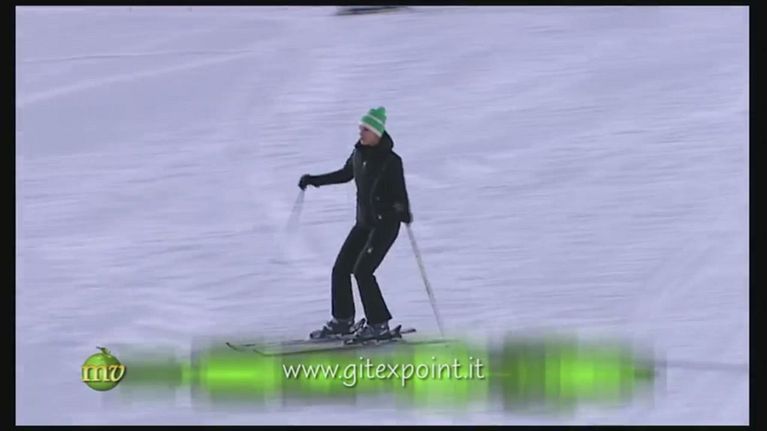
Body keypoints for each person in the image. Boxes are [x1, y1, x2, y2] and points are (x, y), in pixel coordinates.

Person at [298, 107, 413, 341]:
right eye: (361, 128)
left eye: (365, 129)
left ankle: (379, 324)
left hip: (385, 226)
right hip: (364, 223)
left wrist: (402, 210)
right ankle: (343, 321)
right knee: (340, 269)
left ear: (377, 133)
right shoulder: (358, 153)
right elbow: (345, 174)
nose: (361, 133)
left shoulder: (391, 161)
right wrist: (314, 180)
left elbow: (400, 193)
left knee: (363, 271)